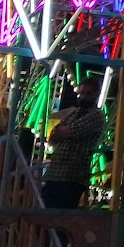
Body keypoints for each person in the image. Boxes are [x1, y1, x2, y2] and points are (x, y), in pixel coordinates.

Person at [41, 78, 105, 209]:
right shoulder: (73, 113)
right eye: (81, 93)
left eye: (87, 94)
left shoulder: (96, 116)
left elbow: (67, 132)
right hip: (55, 173)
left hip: (72, 175)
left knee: (61, 216)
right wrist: (60, 132)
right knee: (45, 213)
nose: (82, 97)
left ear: (96, 95)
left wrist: (62, 132)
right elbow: (53, 135)